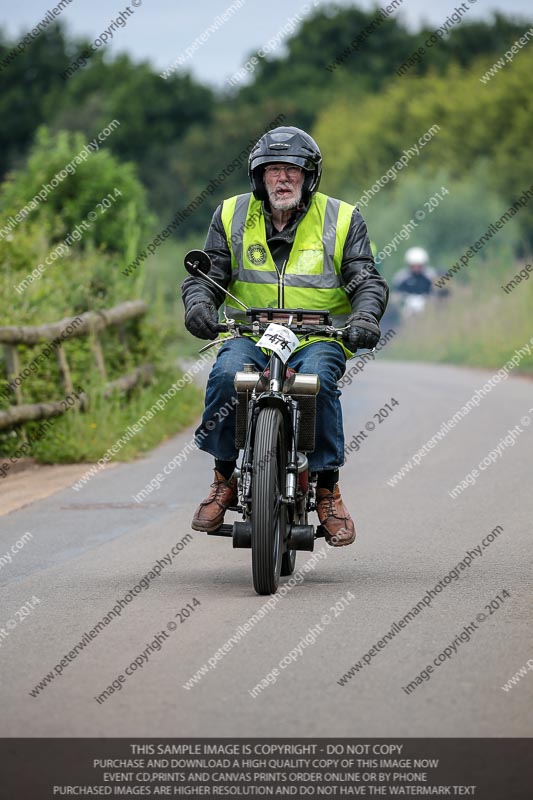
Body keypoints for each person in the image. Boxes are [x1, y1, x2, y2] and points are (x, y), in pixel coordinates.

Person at [181, 126, 388, 547]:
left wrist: (365, 317)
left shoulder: (341, 217)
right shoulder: (231, 215)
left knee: (317, 383)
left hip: (318, 336)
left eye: (293, 170)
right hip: (250, 334)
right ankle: (224, 479)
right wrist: (199, 307)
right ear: (259, 177)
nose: (283, 178)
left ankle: (328, 490)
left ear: (309, 177)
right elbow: (206, 277)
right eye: (274, 169)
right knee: (226, 376)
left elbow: (367, 280)